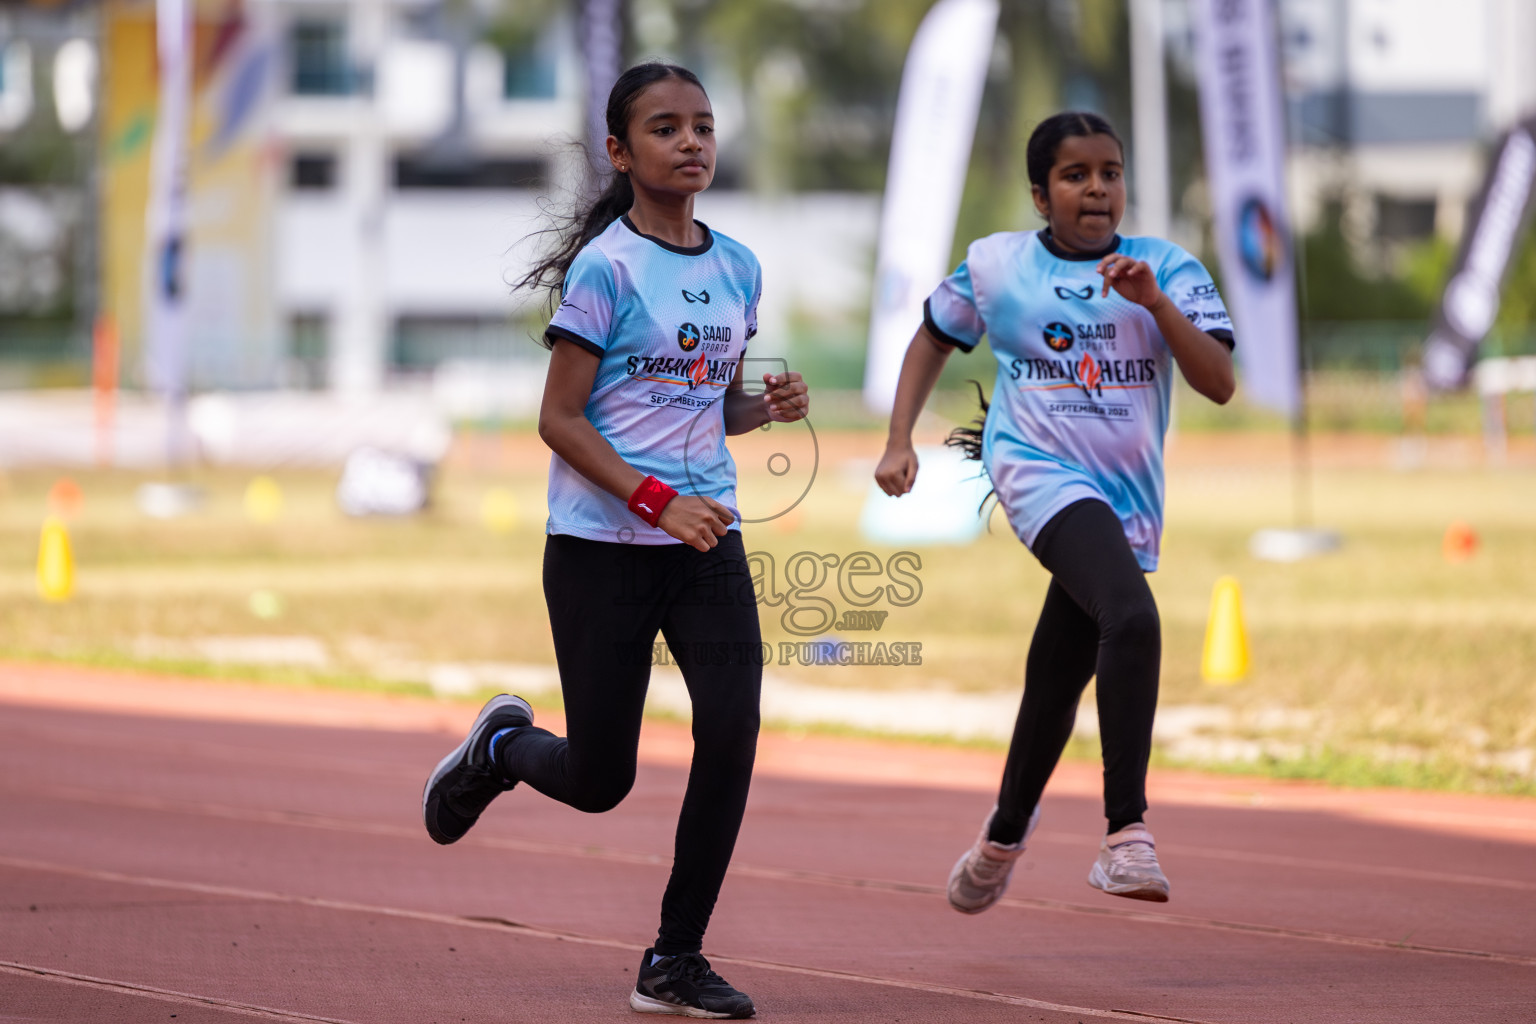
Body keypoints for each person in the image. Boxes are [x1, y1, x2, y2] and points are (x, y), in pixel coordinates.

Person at [422, 62, 808, 1019]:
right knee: (600, 782)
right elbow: (561, 419)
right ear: (619, 151)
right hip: (601, 546)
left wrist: (762, 407)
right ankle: (500, 748)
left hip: (703, 541)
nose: (691, 143)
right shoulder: (606, 268)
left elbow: (699, 408)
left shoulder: (740, 267)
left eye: (703, 126)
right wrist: (652, 501)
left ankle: (674, 958)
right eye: (666, 127)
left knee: (731, 732)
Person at [874, 111, 1235, 911]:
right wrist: (901, 437)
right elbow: (933, 338)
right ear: (1041, 195)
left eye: (1110, 172)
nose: (1097, 188)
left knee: (1057, 673)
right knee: (1133, 622)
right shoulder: (998, 266)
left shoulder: (1167, 267)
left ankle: (1000, 838)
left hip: (1127, 495)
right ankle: (1126, 834)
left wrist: (1155, 307)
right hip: (1035, 469)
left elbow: (1218, 382)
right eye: (1076, 176)